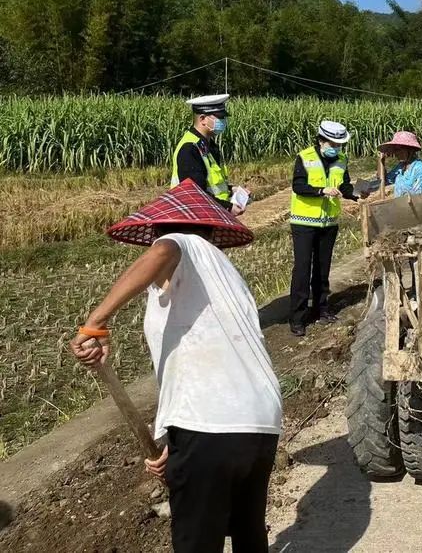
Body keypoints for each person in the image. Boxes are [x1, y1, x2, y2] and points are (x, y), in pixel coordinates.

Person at [69, 179, 282, 553]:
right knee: (249, 535)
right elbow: (199, 357)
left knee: (197, 542)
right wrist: (171, 438)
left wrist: (96, 321)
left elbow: (164, 251)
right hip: (258, 424)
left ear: (158, 230)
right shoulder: (222, 274)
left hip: (211, 425)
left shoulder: (180, 243)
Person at [289, 120, 357, 337]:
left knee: (322, 268)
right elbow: (298, 186)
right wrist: (321, 191)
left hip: (329, 223)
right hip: (304, 222)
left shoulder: (342, 160)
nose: (337, 149)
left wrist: (355, 193)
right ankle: (298, 318)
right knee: (302, 269)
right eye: (333, 144)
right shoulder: (305, 157)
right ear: (321, 141)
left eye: (339, 145)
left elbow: (344, 185)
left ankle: (321, 309)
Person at [171, 93, 246, 215]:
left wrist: (232, 190)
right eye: (219, 117)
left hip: (212, 215)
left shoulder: (208, 144)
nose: (223, 121)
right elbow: (194, 193)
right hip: (194, 218)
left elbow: (211, 183)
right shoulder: (190, 148)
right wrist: (227, 207)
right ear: (202, 119)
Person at [360, 130, 422, 198]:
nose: (396, 153)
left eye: (398, 150)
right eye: (395, 150)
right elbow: (383, 181)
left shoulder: (420, 169)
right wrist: (381, 160)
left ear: (410, 150)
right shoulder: (401, 167)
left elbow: (420, 199)